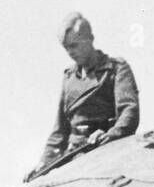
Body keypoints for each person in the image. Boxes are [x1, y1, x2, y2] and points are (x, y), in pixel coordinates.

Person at [32, 12, 139, 177]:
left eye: (74, 45)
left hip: (107, 150)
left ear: (90, 39)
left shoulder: (115, 69)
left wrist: (111, 134)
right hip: (75, 155)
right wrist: (44, 163)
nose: (70, 52)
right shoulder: (69, 76)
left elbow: (129, 112)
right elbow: (60, 130)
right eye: (66, 47)